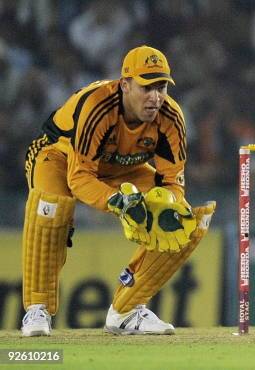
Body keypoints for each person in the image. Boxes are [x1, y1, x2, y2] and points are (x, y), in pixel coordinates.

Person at [21, 45, 216, 337]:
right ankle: (37, 309)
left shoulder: (171, 117)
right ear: (125, 84)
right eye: (147, 87)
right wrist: (119, 202)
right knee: (52, 209)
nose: (156, 96)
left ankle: (126, 312)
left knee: (182, 222)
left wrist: (168, 202)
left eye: (161, 86)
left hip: (122, 168)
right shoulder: (98, 105)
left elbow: (172, 181)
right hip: (59, 156)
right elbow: (79, 178)